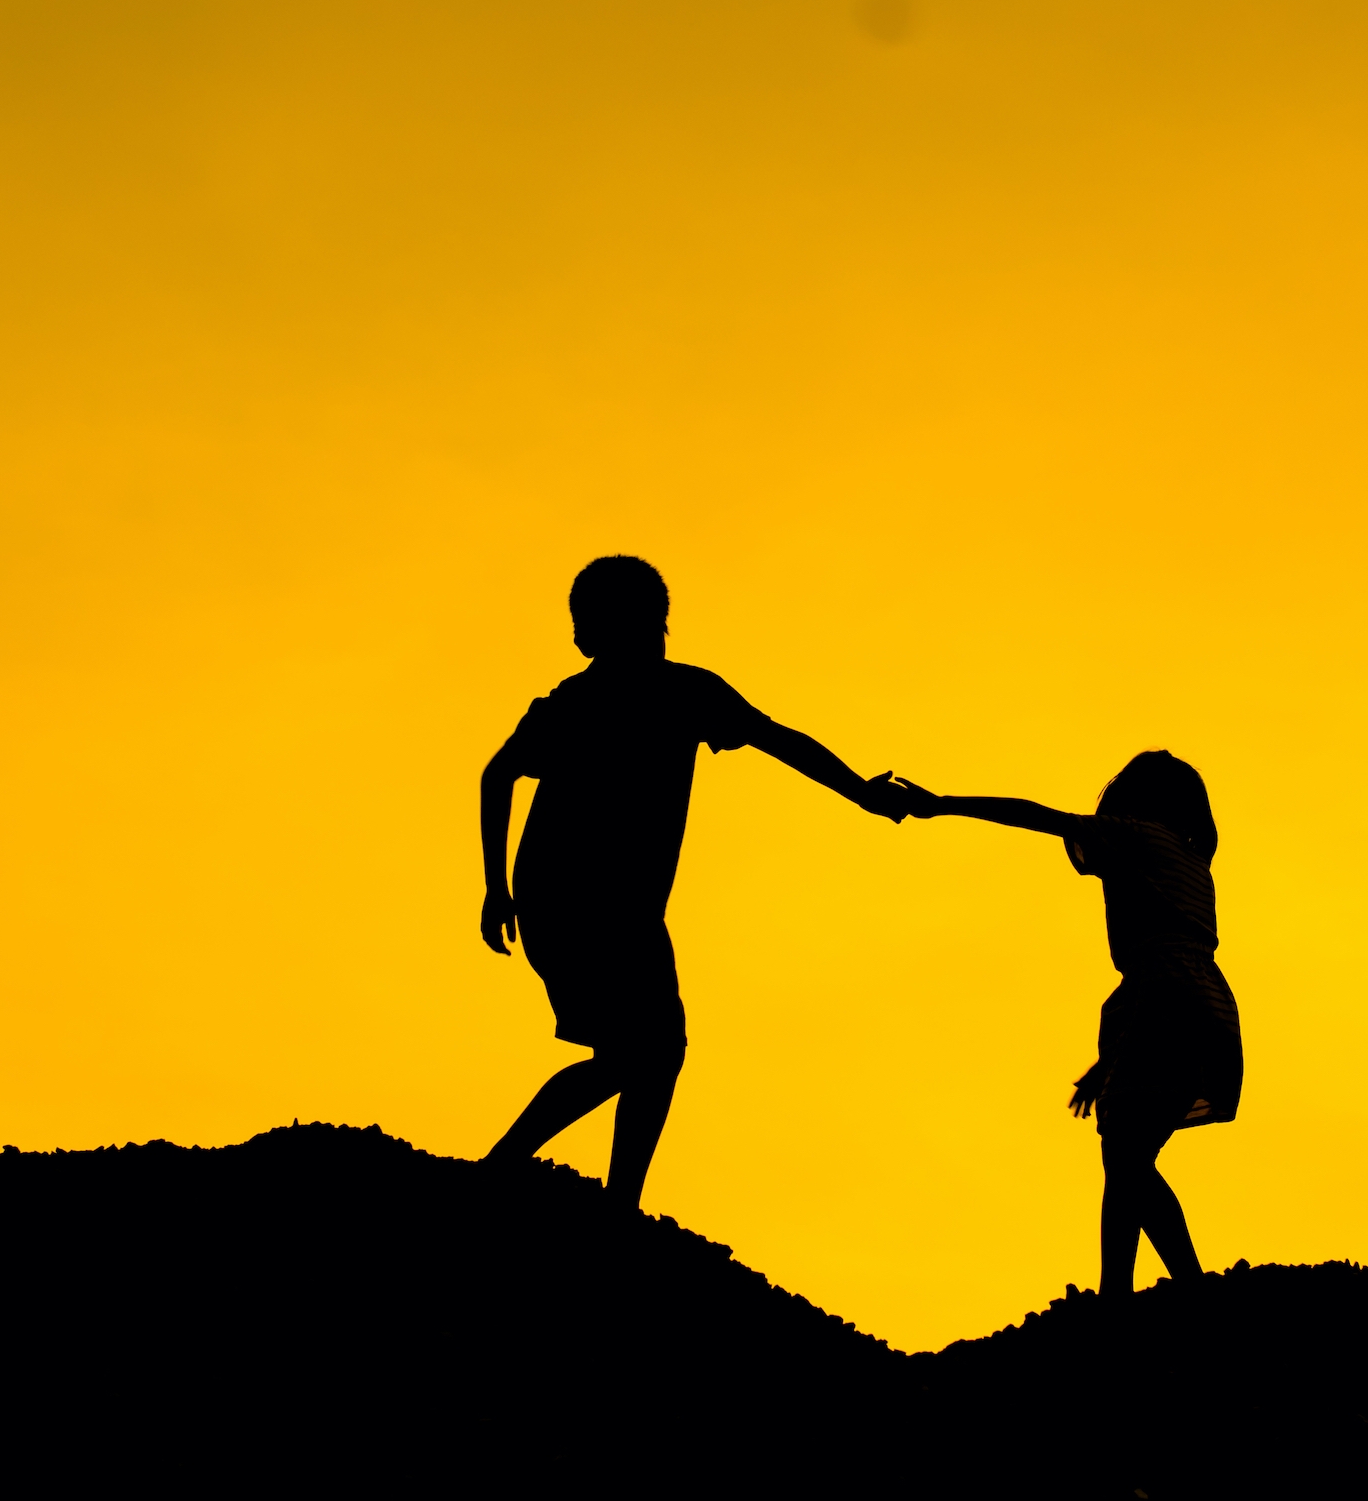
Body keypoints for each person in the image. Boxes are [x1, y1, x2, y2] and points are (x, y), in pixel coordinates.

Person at [479, 555, 908, 1210]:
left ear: (621, 624)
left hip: (596, 908)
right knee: (644, 1051)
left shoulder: (655, 697)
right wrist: (496, 890)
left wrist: (859, 792)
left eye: (582, 621)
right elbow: (499, 774)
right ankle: (537, 1181)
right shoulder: (612, 701)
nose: (574, 636)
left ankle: (595, 1196)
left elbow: (777, 739)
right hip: (574, 903)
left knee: (645, 1052)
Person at [895, 752, 1240, 1297]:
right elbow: (1169, 968)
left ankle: (1147, 1290)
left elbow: (1033, 815)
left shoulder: (1134, 835)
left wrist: (941, 805)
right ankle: (1138, 1289)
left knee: (1126, 1154)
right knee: (1128, 1156)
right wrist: (1107, 1063)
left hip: (1160, 996)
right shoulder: (1193, 861)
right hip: (1202, 1003)